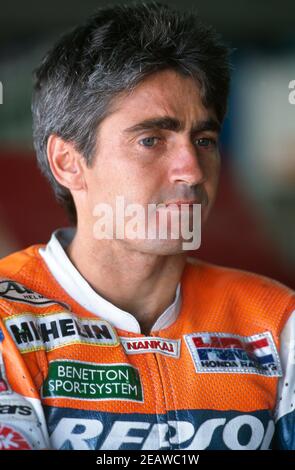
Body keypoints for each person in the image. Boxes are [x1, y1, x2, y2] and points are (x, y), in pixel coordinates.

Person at [0, 1, 294, 451]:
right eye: (151, 139)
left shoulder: (277, 321)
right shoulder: (7, 318)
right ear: (68, 162)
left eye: (204, 140)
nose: (192, 170)